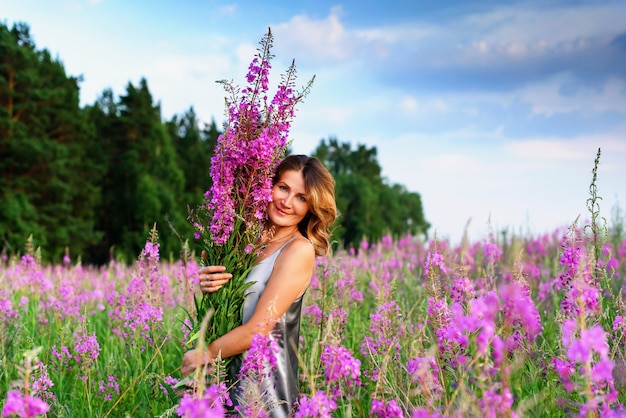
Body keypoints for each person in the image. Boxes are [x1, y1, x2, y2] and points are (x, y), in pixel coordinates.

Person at [181, 154, 337, 416]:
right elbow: (231, 304)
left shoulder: (298, 249)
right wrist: (209, 283)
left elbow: (258, 329)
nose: (287, 202)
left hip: (264, 392)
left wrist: (204, 354)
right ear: (268, 186)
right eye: (283, 188)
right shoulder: (246, 241)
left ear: (312, 207)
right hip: (222, 381)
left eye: (301, 197)